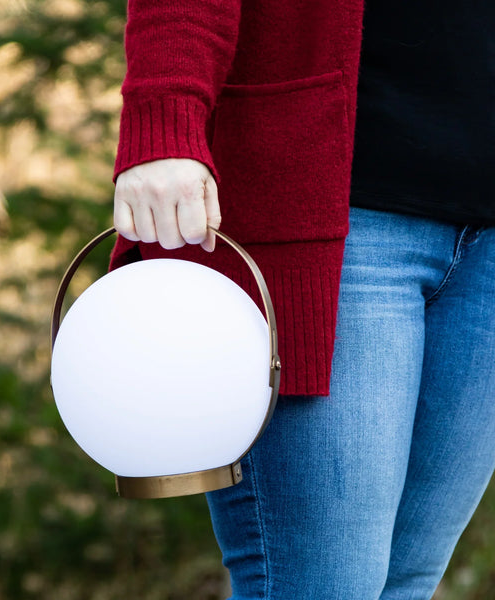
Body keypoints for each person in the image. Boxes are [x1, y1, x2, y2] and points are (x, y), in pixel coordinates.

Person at [110, 0, 495, 597]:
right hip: (332, 214)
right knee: (323, 585)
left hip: (486, 251)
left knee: (407, 581)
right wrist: (163, 121)